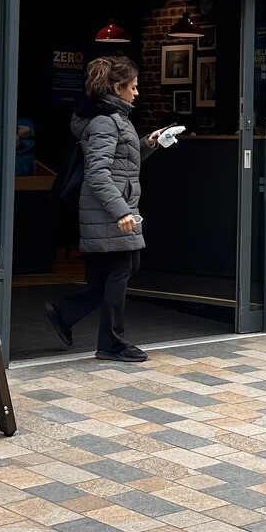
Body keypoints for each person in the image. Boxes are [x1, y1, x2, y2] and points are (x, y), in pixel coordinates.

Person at [47, 55, 178, 363]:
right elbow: (97, 174)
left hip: (112, 208)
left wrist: (149, 142)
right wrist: (121, 211)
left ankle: (66, 313)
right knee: (122, 268)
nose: (136, 93)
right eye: (132, 87)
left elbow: (122, 164)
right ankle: (112, 342)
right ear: (118, 88)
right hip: (109, 212)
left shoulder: (114, 117)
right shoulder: (106, 121)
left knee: (115, 272)